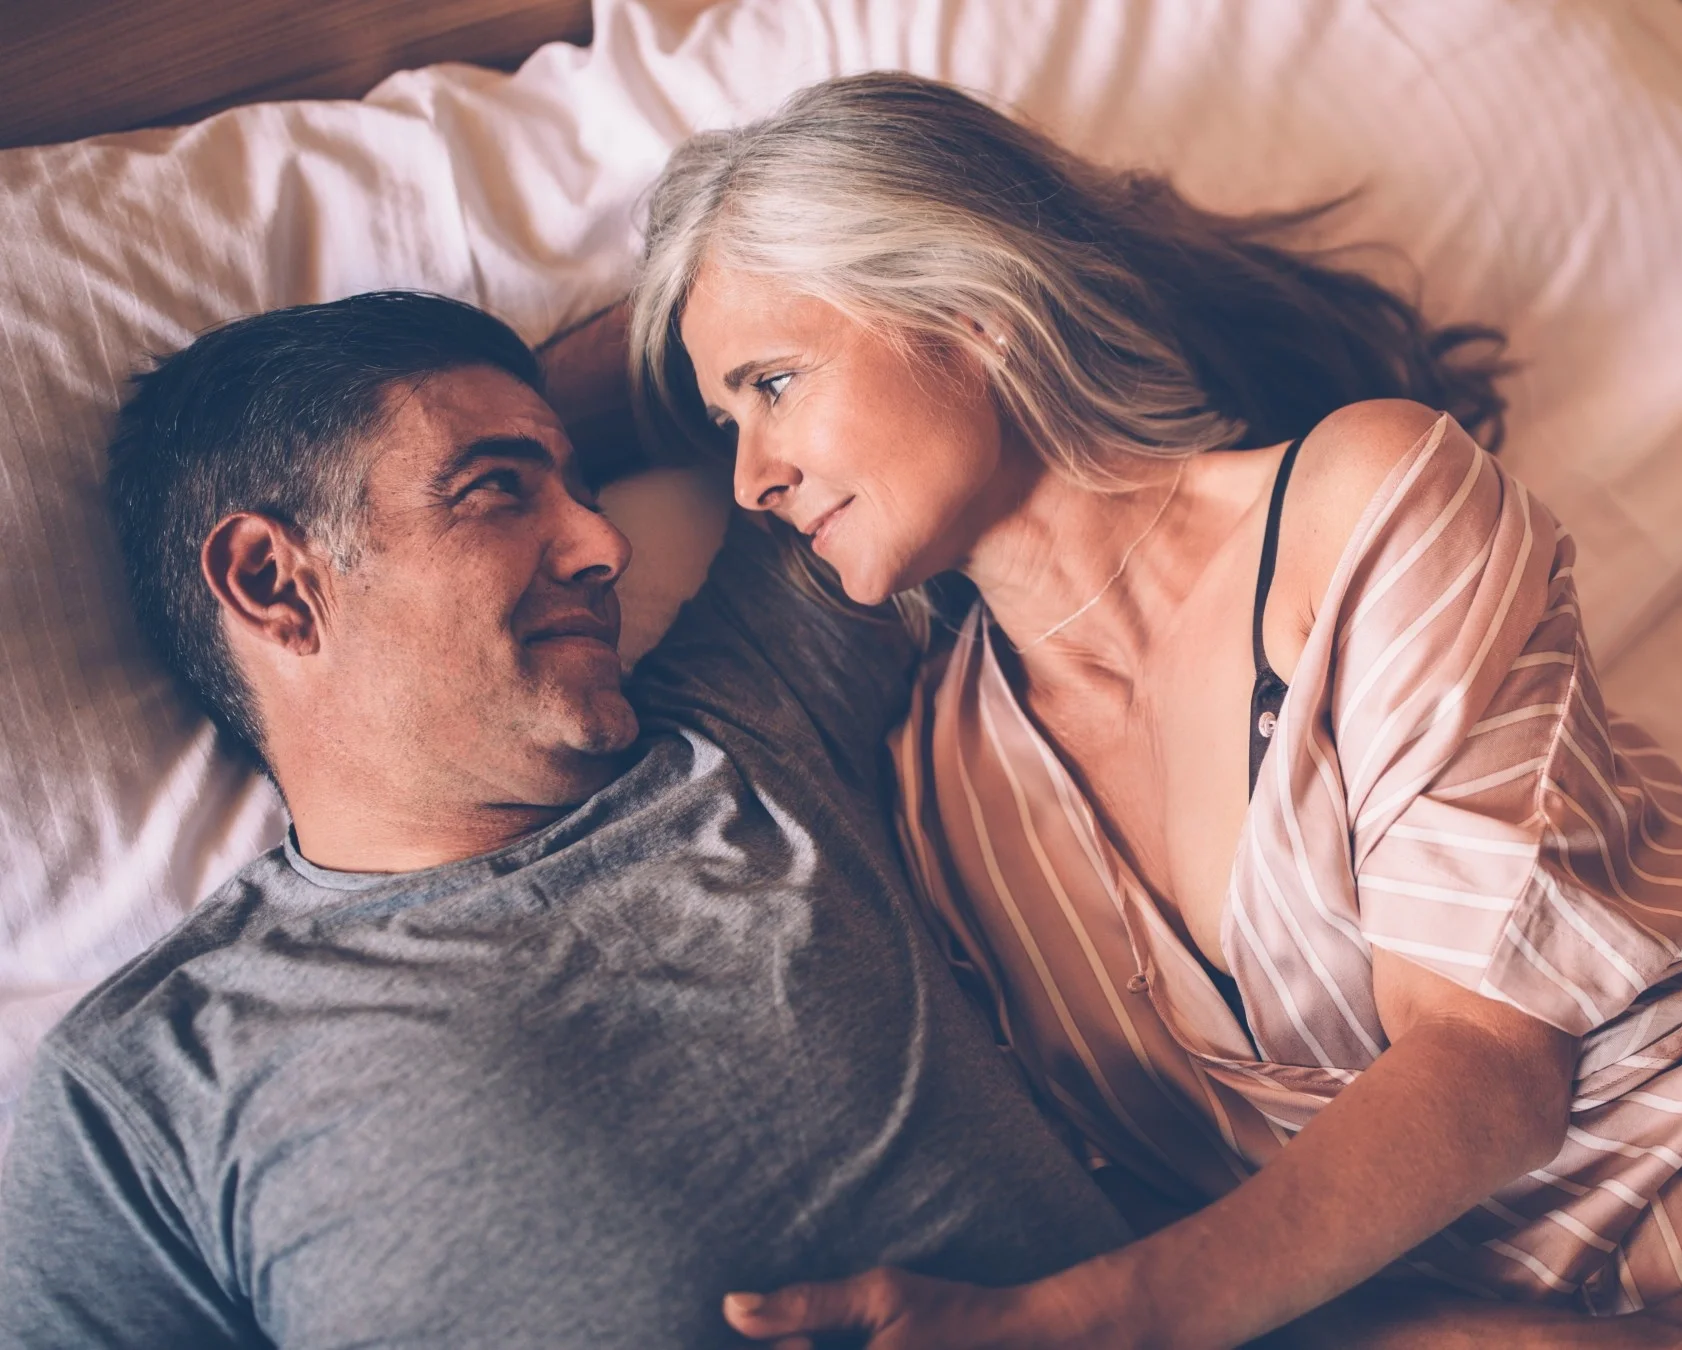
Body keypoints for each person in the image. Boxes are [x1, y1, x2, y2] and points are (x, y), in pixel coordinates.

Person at [630, 73, 1682, 1348]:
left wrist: (1096, 1322)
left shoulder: (1366, 505)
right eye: (716, 424)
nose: (751, 476)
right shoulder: (946, 787)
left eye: (771, 381)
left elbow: (1485, 1064)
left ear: (966, 304)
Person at [0, 291, 1134, 1348]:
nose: (606, 544)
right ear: (275, 583)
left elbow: (844, 313)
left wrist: (511, 410)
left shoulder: (743, 722)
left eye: (582, 488)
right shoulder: (144, 1084)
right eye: (496, 487)